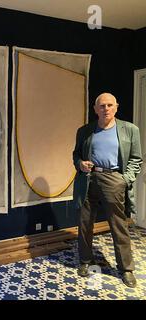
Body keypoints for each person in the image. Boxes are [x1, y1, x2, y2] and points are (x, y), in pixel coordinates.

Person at [72, 92, 143, 288]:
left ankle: (126, 269)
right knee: (85, 223)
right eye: (102, 106)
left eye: (110, 105)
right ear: (95, 109)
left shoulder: (130, 130)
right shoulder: (84, 131)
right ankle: (85, 261)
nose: (106, 109)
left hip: (114, 179)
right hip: (88, 179)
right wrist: (80, 164)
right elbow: (76, 153)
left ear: (116, 107)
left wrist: (124, 179)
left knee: (118, 225)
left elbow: (136, 159)